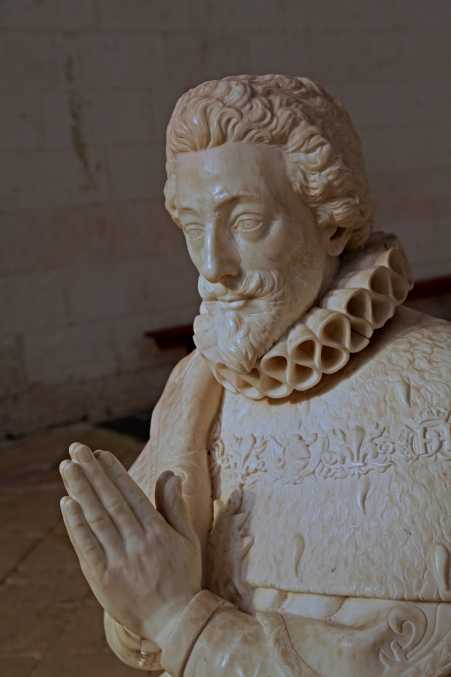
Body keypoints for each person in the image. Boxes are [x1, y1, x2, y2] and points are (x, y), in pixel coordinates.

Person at [59, 75, 451, 676]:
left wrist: (178, 620)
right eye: (194, 228)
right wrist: (140, 606)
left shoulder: (437, 383)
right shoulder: (195, 387)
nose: (212, 265)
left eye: (245, 223)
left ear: (332, 224)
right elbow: (138, 620)